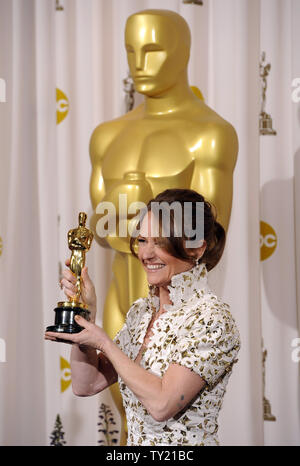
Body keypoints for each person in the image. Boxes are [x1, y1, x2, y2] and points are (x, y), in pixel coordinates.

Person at [45, 189, 240, 446]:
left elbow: (161, 405)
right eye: (143, 240)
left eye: (160, 242)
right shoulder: (141, 312)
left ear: (196, 248)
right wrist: (87, 314)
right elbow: (86, 384)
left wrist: (105, 343)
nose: (146, 254)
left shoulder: (211, 318)